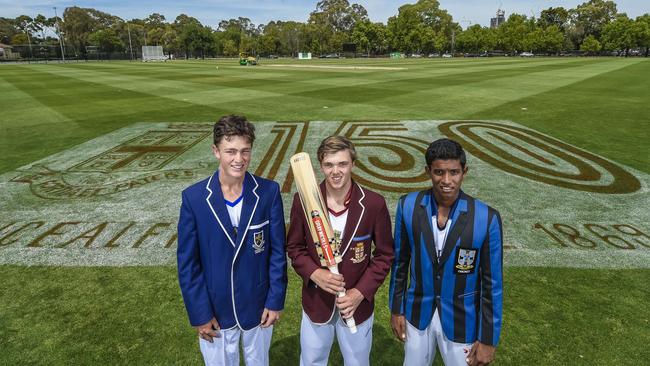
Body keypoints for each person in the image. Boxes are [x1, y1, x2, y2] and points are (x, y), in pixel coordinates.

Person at [177, 115, 287, 366]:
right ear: (216, 151)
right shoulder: (193, 199)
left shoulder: (268, 192)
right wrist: (200, 313)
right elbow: (188, 264)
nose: (239, 159)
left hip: (258, 306)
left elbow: (278, 252)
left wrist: (275, 299)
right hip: (215, 310)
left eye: (245, 151)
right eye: (231, 151)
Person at [388, 138, 503, 366]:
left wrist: (488, 339)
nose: (446, 180)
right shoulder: (408, 206)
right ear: (428, 171)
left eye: (454, 172)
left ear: (464, 172)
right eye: (439, 172)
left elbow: (492, 284)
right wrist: (396, 309)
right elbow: (400, 263)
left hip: (463, 320)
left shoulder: (486, 217)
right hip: (417, 314)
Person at [286, 136, 394, 366]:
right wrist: (315, 273)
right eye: (329, 165)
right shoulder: (303, 201)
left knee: (357, 362)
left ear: (353, 164)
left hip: (357, 306)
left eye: (342, 164)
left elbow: (384, 255)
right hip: (317, 302)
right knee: (312, 360)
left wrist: (359, 293)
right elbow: (295, 248)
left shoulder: (374, 204)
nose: (336, 171)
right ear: (321, 166)